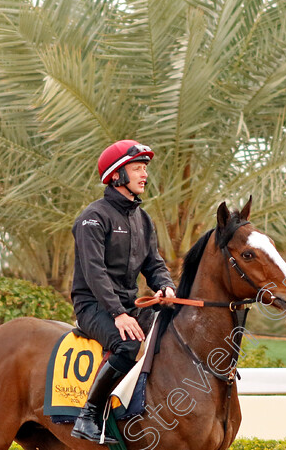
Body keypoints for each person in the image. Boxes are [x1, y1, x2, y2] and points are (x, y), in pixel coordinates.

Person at [69, 139, 176, 444]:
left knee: (170, 325)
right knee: (128, 345)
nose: (144, 175)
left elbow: (154, 264)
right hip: (94, 306)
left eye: (145, 168)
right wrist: (118, 314)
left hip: (127, 304)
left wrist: (165, 286)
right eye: (137, 168)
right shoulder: (93, 217)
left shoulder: (142, 219)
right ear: (117, 175)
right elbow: (94, 273)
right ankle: (88, 414)